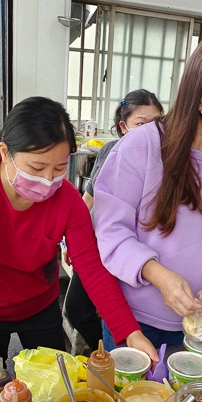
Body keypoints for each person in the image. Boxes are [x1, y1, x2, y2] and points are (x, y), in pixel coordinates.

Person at [0, 96, 158, 379]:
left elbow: (92, 270)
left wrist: (129, 332)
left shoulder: (67, 200)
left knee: (55, 383)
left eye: (58, 169)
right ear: (5, 153)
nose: (47, 180)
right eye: (37, 168)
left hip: (39, 308)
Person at [94, 34, 202, 350]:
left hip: (196, 325)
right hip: (132, 321)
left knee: (179, 399)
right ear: (201, 96)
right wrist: (160, 277)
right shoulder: (142, 147)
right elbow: (110, 232)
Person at [63, 90, 164, 350]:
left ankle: (119, 350)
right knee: (77, 308)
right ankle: (104, 349)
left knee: (123, 308)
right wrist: (74, 242)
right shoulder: (110, 151)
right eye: (141, 124)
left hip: (134, 250)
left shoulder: (166, 156)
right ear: (123, 126)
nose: (150, 131)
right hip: (99, 244)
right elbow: (89, 199)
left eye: (157, 122)